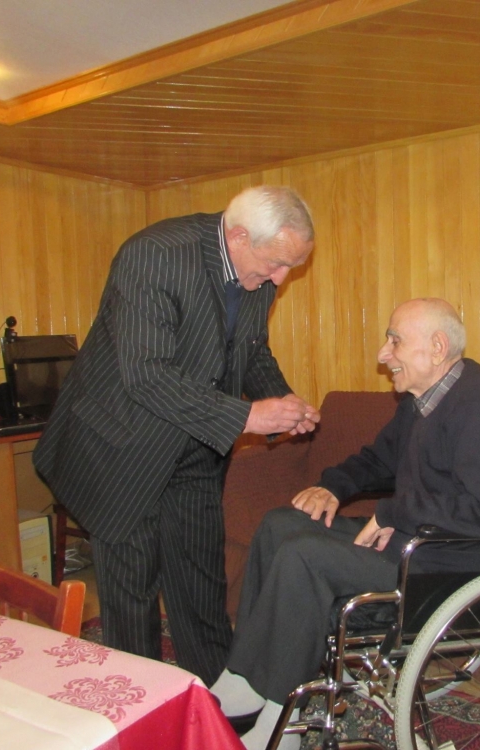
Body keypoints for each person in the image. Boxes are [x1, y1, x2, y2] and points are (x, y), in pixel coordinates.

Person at [211, 298, 480, 750]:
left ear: (437, 347)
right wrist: (332, 487)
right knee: (281, 524)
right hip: (412, 542)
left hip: (449, 564)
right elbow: (380, 461)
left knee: (305, 556)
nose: (384, 355)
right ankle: (246, 674)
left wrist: (393, 512)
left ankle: (281, 715)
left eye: (394, 341)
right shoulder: (422, 402)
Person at [32, 185, 320, 686]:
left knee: (200, 586)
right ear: (238, 236)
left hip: (195, 444)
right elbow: (147, 375)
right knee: (132, 594)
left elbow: (249, 348)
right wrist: (248, 417)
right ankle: (140, 702)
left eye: (291, 267)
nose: (280, 279)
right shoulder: (155, 255)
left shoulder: (258, 272)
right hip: (123, 447)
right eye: (277, 264)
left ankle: (215, 702)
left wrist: (283, 403)